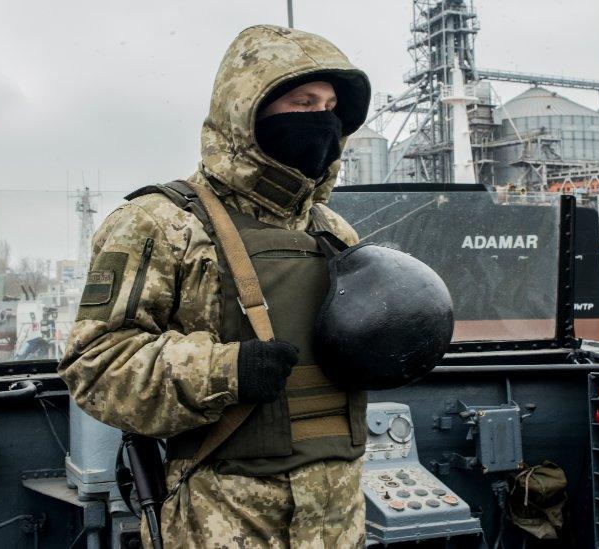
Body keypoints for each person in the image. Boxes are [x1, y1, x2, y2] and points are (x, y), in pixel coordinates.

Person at [58, 24, 371, 547]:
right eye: (303, 102)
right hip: (223, 519)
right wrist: (226, 371)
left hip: (339, 516)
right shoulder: (161, 222)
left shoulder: (333, 233)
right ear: (248, 111)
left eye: (331, 106)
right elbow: (96, 365)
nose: (323, 120)